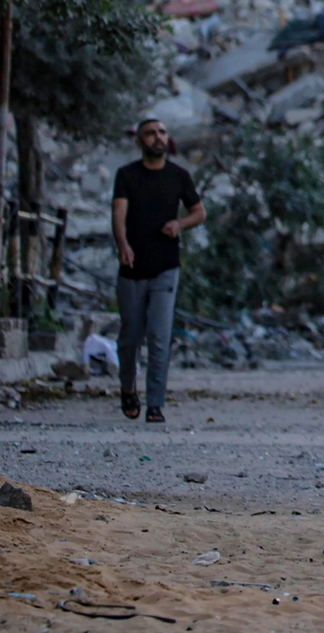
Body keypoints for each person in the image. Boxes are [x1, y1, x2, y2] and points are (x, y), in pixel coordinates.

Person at [112, 118, 206, 423]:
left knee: (159, 336)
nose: (157, 137)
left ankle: (155, 403)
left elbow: (199, 212)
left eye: (162, 132)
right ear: (140, 141)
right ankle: (128, 390)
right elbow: (118, 213)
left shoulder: (179, 176)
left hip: (166, 266)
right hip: (132, 267)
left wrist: (179, 224)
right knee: (130, 337)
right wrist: (122, 244)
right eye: (150, 133)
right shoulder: (126, 175)